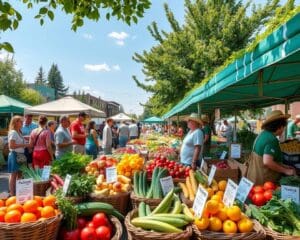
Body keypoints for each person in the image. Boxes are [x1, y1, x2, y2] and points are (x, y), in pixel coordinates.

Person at [246, 110, 296, 185]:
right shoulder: (272, 139)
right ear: (280, 126)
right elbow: (267, 162)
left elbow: (265, 156)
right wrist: (286, 171)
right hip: (264, 181)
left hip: (253, 176)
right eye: (284, 126)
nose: (284, 129)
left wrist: (284, 166)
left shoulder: (262, 134)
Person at [7, 116, 30, 195]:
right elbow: (11, 146)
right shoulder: (13, 132)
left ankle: (18, 192)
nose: (22, 123)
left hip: (19, 155)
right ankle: (12, 193)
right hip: (15, 155)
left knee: (20, 174)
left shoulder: (18, 132)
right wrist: (24, 145)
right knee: (13, 175)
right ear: (16, 122)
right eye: (20, 121)